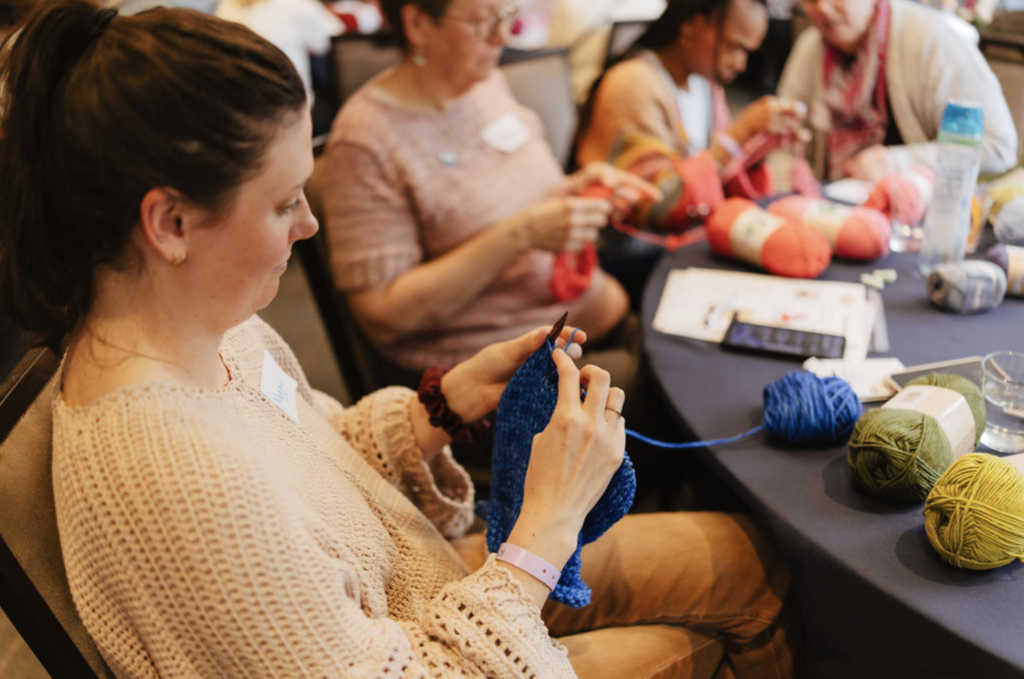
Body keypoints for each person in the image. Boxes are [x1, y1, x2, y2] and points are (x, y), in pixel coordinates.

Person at [0, 3, 801, 678]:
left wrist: (443, 403)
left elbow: (314, 456)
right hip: (434, 640)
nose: (310, 225)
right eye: (283, 204)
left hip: (430, 588)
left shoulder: (208, 326)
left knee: (740, 552)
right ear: (170, 222)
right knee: (713, 628)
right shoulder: (172, 473)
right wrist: (549, 523)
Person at [319, 0, 663, 387]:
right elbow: (383, 314)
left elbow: (508, 198)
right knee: (678, 398)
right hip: (497, 373)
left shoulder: (484, 85)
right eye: (485, 21)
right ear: (417, 23)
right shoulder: (366, 141)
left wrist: (574, 189)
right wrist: (520, 235)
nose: (503, 36)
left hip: (583, 319)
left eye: (507, 16)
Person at [575, 0, 808, 221]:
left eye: (747, 52)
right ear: (692, 26)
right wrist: (739, 134)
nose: (740, 64)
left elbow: (718, 173)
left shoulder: (706, 85)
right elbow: (655, 207)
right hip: (630, 252)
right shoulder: (632, 84)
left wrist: (756, 149)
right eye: (733, 47)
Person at [778, 0, 1018, 182]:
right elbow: (784, 146)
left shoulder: (929, 41)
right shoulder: (811, 49)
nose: (823, 9)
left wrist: (897, 161)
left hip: (924, 219)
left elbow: (998, 146)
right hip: (837, 215)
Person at [215, 0, 343, 105]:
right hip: (292, 107)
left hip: (238, 107)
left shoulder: (224, 8)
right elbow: (325, 43)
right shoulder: (297, 5)